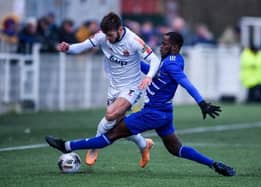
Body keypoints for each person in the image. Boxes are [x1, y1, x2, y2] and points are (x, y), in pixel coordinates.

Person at [46, 32, 236, 176]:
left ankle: (67, 146)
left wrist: (201, 103)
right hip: (165, 113)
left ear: (175, 46)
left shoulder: (171, 64)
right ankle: (214, 164)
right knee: (175, 148)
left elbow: (185, 82)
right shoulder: (172, 60)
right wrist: (129, 59)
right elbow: (151, 71)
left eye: (164, 44)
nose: (160, 47)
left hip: (153, 113)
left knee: (112, 132)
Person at [56, 12, 161, 168]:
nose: (107, 39)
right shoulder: (102, 36)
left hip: (132, 88)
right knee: (118, 126)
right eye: (105, 35)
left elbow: (154, 59)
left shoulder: (133, 40)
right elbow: (83, 46)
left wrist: (149, 76)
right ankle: (143, 144)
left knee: (110, 115)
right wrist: (68, 48)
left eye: (110, 35)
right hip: (114, 87)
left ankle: (93, 148)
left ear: (119, 29)